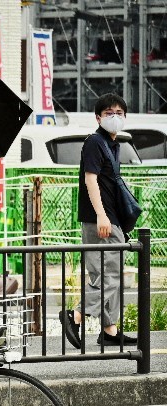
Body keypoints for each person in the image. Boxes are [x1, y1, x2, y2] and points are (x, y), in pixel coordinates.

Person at [59, 93, 139, 348]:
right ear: (98, 117)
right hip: (100, 220)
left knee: (106, 274)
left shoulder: (112, 144)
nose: (115, 118)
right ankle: (76, 315)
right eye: (109, 113)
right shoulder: (95, 142)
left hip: (109, 219)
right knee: (109, 276)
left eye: (119, 113)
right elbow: (90, 180)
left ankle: (110, 330)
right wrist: (102, 215)